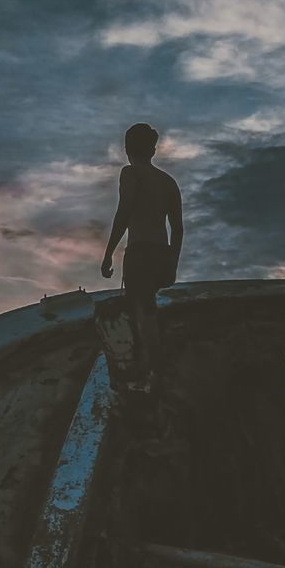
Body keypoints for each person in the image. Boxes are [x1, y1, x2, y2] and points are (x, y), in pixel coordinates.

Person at [100, 123, 183, 383]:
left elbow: (124, 212)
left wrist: (109, 252)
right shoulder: (168, 182)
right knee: (150, 309)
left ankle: (151, 368)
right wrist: (172, 263)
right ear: (153, 150)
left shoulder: (130, 173)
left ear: (127, 149)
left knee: (141, 310)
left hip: (140, 252)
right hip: (161, 253)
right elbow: (177, 229)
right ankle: (155, 365)